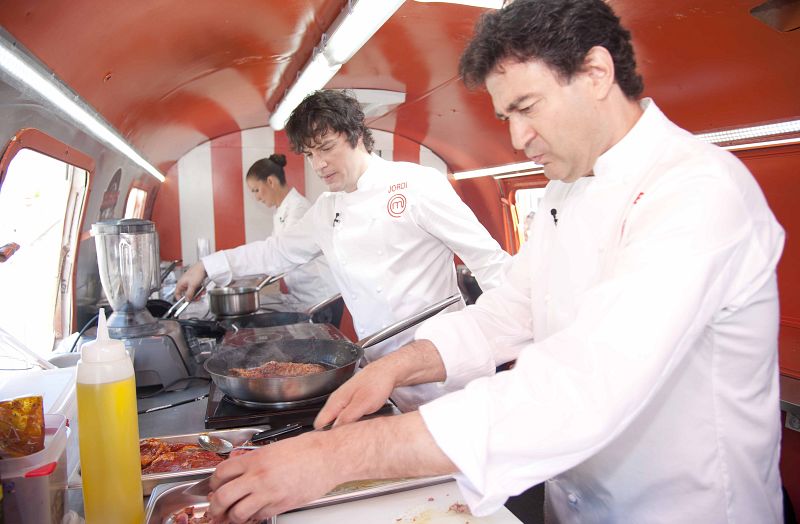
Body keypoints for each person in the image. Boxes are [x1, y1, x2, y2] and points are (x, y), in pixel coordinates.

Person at [206, 1, 786, 523]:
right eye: (507, 115)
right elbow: (506, 312)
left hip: (683, 506)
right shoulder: (565, 190)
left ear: (596, 73)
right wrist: (394, 366)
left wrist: (336, 455)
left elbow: (587, 383)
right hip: (575, 498)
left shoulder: (697, 191)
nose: (516, 138)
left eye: (526, 107)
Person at [177, 89, 510, 411]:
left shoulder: (419, 185)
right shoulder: (326, 209)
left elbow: (489, 262)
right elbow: (276, 252)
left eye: (326, 148)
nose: (318, 164)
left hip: (444, 372)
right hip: (382, 374)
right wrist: (207, 266)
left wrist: (519, 342)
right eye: (309, 154)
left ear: (357, 136)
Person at [201, 154, 342, 322]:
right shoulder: (282, 211)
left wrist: (218, 267)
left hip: (321, 297)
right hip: (306, 296)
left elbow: (279, 254)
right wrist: (244, 278)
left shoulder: (298, 209)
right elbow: (272, 253)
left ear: (270, 182)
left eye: (256, 190)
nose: (257, 197)